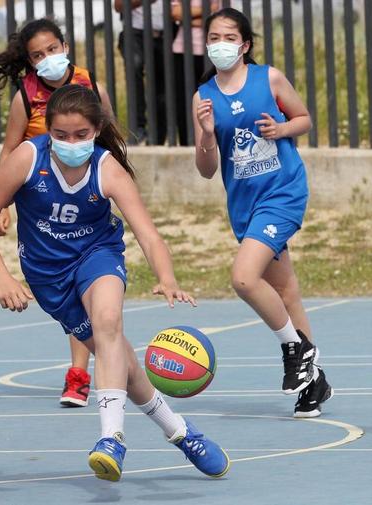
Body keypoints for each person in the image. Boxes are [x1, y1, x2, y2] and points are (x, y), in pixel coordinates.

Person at [0, 83, 229, 482]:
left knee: (108, 321)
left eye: (81, 135)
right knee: (123, 365)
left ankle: (111, 439)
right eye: (61, 135)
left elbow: (148, 233)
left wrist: (167, 276)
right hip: (48, 277)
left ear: (97, 130)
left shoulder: (107, 169)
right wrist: (2, 277)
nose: (71, 142)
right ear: (47, 130)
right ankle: (181, 432)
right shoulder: (27, 158)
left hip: (97, 257)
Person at [193, 8, 332, 417]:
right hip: (245, 205)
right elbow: (205, 170)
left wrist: (281, 130)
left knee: (243, 277)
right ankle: (314, 381)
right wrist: (204, 135)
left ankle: (296, 349)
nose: (220, 44)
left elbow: (303, 118)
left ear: (245, 44)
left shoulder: (267, 78)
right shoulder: (203, 97)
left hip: (283, 193)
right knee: (286, 291)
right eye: (213, 37)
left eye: (229, 37)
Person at [0, 18, 114, 408]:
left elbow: (111, 134)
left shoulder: (90, 84)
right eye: (37, 55)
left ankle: (79, 373)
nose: (47, 58)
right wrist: (1, 206)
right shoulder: (25, 97)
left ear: (65, 46)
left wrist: (116, 181)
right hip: (41, 197)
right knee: (66, 287)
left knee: (88, 284)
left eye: (52, 49)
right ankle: (92, 369)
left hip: (85, 195)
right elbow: (10, 150)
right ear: (29, 63)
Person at [114, 0, 168, 144]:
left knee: (164, 84)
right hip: (135, 32)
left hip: (167, 33)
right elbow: (118, 6)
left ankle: (158, 135)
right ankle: (138, 127)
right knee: (135, 69)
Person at [171, 0, 220, 145]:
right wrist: (207, 9)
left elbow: (221, 19)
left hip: (212, 52)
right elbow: (176, 13)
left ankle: (213, 141)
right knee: (184, 102)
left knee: (212, 101)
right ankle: (188, 142)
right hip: (182, 51)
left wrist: (188, 17)